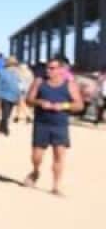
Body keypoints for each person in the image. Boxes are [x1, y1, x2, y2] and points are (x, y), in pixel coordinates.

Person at [24, 55, 83, 196]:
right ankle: (35, 171)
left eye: (52, 68)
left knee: (59, 156)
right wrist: (40, 102)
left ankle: (56, 186)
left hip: (60, 125)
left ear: (61, 70)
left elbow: (79, 105)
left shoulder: (70, 84)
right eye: (47, 67)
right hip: (41, 123)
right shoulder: (39, 81)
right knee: (36, 156)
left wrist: (64, 105)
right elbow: (28, 100)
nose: (48, 70)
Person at [0, 56, 23, 135]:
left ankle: (1, 127)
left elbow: (19, 84)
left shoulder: (16, 74)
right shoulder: (1, 72)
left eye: (14, 65)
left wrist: (20, 92)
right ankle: (5, 129)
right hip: (4, 96)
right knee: (5, 113)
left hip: (14, 96)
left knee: (8, 113)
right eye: (12, 65)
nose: (14, 66)